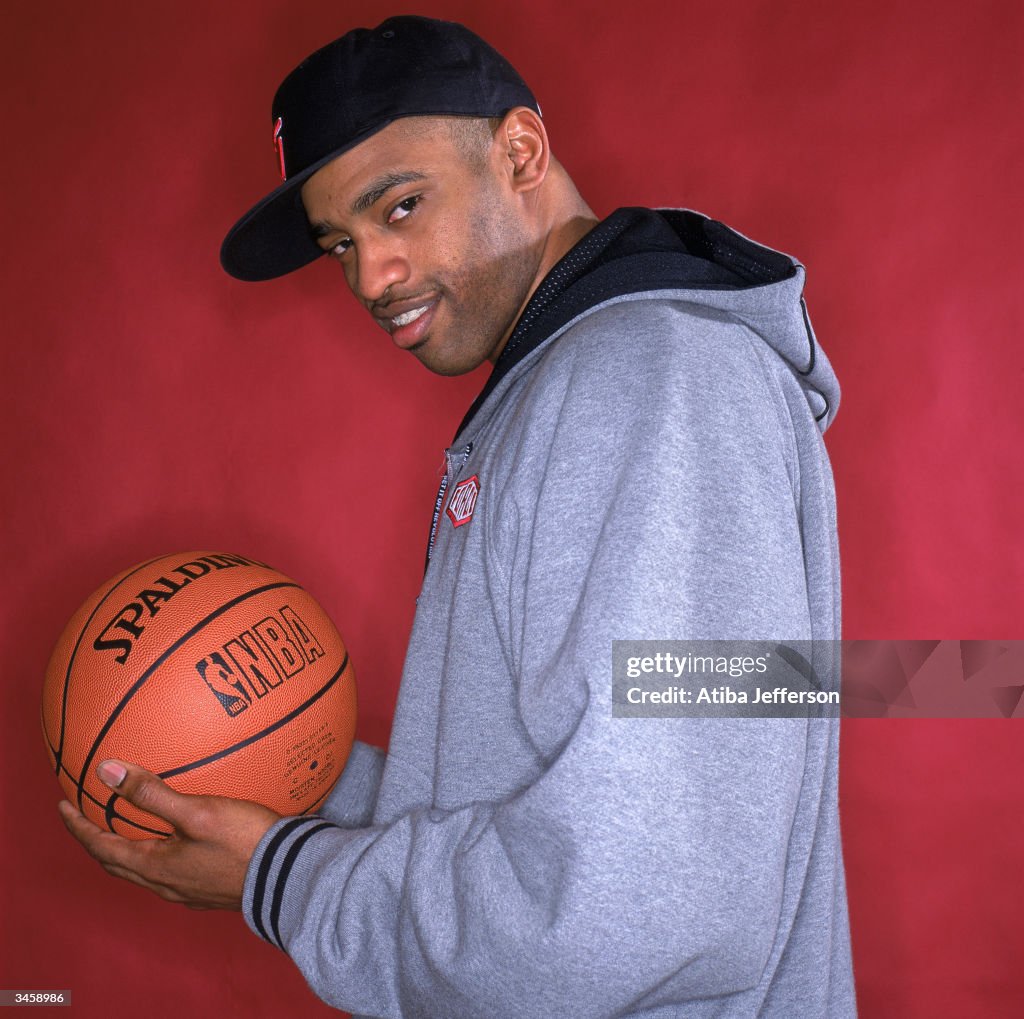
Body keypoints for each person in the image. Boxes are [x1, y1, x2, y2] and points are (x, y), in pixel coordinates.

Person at [60, 15, 856, 1018]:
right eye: (341, 242)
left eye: (399, 207)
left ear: (519, 150)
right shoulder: (572, 387)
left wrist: (285, 874)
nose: (369, 276)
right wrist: (281, 767)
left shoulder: (656, 383)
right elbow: (563, 796)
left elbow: (650, 894)